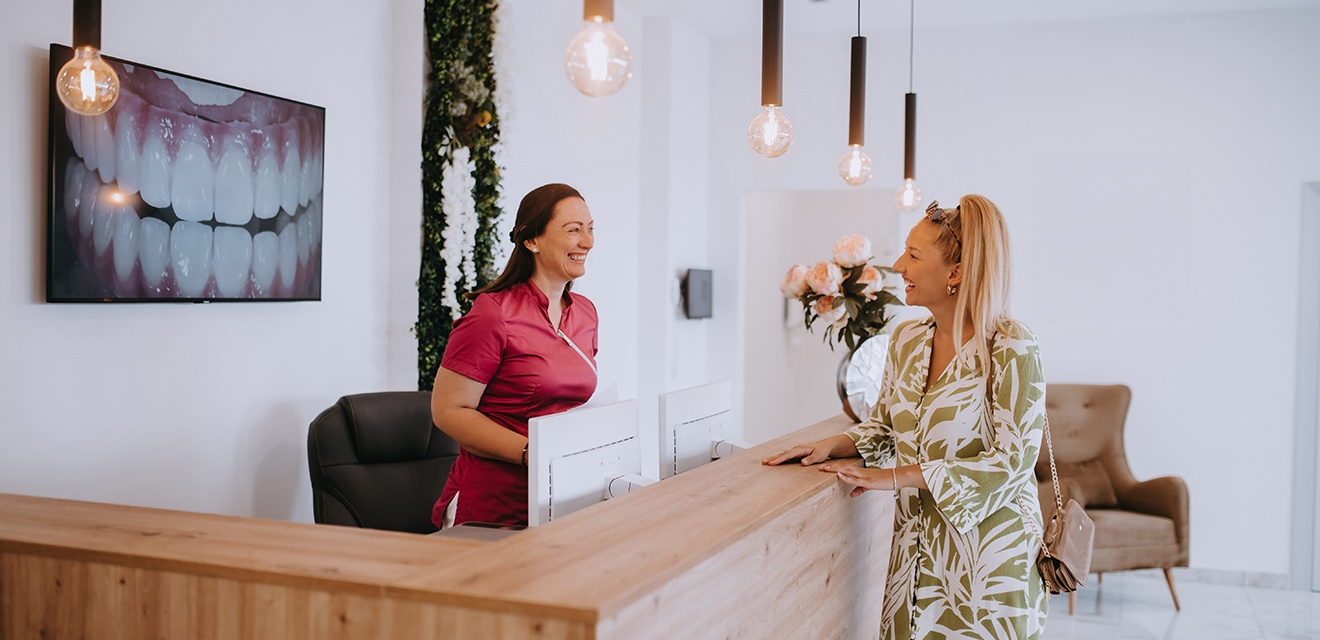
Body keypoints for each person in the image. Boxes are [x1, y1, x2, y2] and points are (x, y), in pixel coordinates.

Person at [763, 195, 1049, 639]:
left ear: (955, 273)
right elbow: (883, 427)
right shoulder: (907, 338)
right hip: (914, 553)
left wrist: (901, 476)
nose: (899, 266)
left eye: (913, 255)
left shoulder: (1012, 346)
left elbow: (1013, 463)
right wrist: (835, 446)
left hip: (990, 566)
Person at [430, 183, 598, 528]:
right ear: (531, 240)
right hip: (495, 506)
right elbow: (448, 411)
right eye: (573, 230)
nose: (587, 242)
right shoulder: (493, 313)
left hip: (560, 499)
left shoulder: (585, 313)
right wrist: (530, 453)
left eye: (590, 229)